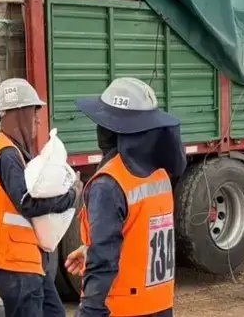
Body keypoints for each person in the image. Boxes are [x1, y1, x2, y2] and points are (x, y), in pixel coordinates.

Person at [64, 77, 186, 317]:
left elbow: (105, 258)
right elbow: (138, 232)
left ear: (112, 130)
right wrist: (90, 248)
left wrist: (89, 309)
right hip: (159, 304)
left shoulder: (110, 183)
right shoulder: (159, 173)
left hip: (121, 308)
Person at [0, 78, 78, 317]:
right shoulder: (7, 154)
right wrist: (72, 197)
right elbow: (28, 203)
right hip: (13, 259)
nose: (38, 119)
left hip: (23, 259)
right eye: (34, 112)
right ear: (20, 113)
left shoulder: (12, 151)